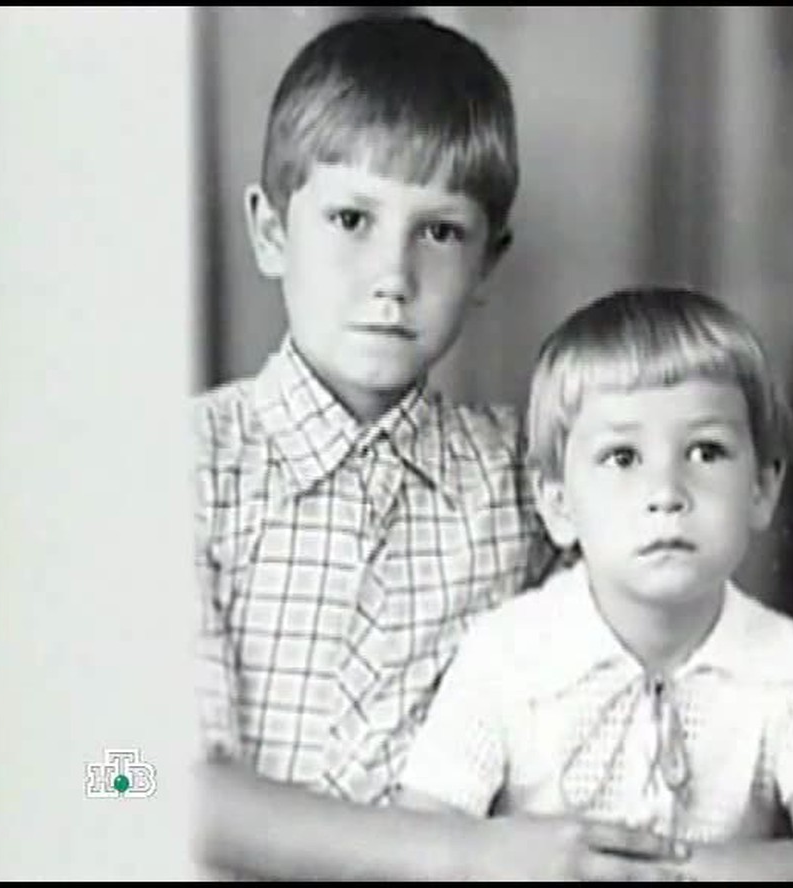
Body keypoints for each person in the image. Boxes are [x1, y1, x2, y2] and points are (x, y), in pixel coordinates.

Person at [193, 14, 687, 880]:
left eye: (440, 232)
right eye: (352, 218)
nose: (393, 276)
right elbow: (111, 776)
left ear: (488, 263)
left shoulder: (528, 481)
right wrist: (463, 854)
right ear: (270, 231)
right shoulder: (184, 463)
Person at [397, 287, 793, 881]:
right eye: (622, 457)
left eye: (706, 451)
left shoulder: (791, 665)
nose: (666, 493)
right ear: (557, 503)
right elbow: (421, 842)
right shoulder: (506, 654)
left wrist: (675, 874)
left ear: (763, 487)